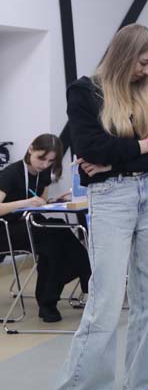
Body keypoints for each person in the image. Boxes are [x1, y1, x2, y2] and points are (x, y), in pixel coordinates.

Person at [49, 23, 148, 390]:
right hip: (111, 199)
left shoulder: (145, 93)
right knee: (104, 301)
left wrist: (122, 156)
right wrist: (146, 145)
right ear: (124, 54)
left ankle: (141, 384)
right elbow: (92, 149)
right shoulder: (84, 91)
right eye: (142, 62)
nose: (147, 71)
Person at [0, 134, 90, 323]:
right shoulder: (11, 174)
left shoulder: (44, 175)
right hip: (6, 229)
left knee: (59, 231)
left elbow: (39, 202)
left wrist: (55, 201)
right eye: (41, 158)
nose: (44, 164)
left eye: (50, 161)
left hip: (29, 223)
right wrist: (25, 202)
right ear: (31, 149)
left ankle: (50, 300)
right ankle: (83, 278)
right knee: (52, 236)